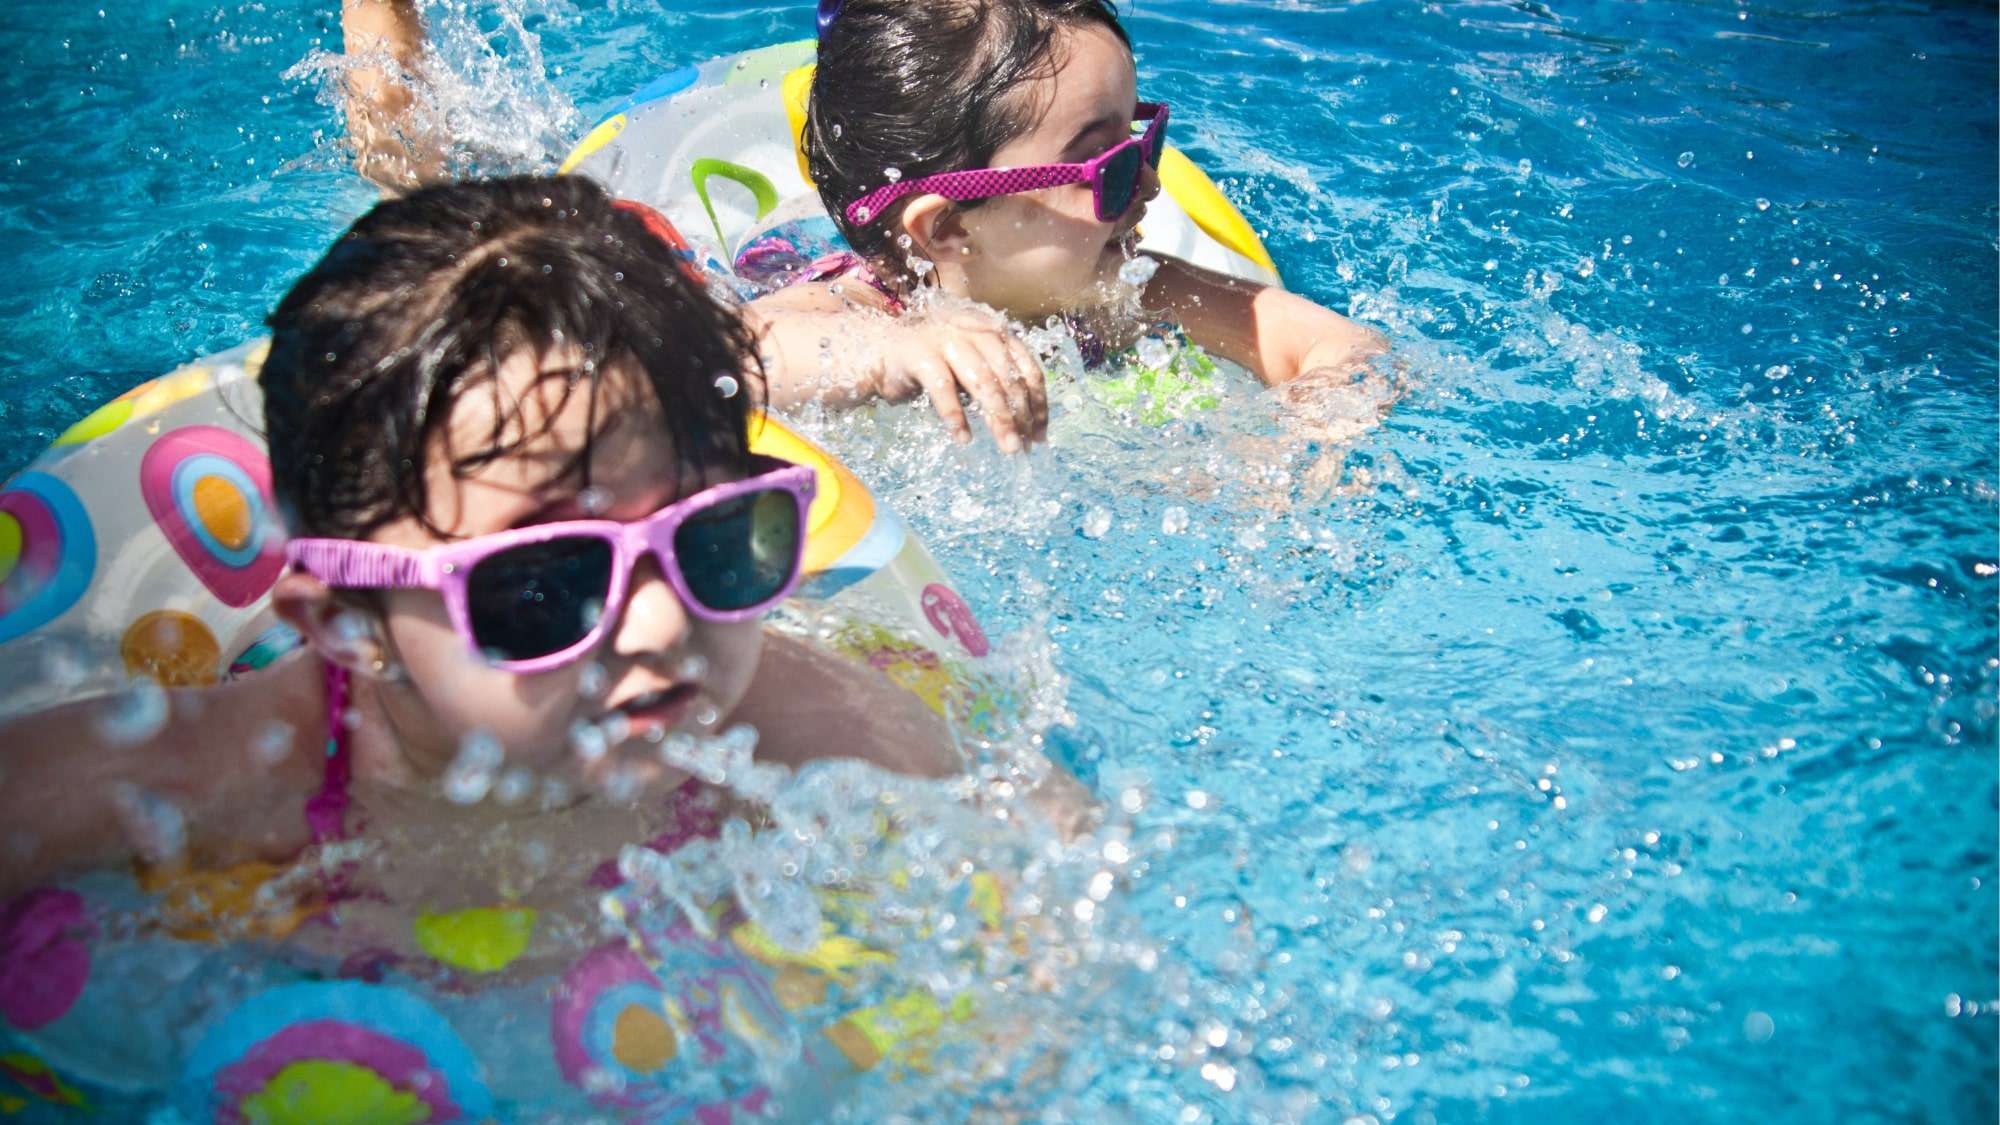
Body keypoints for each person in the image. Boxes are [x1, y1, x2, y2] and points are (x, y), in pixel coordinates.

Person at [0, 175, 966, 911]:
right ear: (347, 624)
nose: (665, 619)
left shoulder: (796, 725)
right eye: (546, 583)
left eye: (715, 541)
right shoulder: (225, 780)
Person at [335, 0, 1390, 455]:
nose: (1148, 191)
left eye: (1145, 142)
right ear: (939, 233)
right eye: (1109, 168)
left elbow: (1325, 345)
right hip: (732, 273)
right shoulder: (855, 302)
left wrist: (1314, 443)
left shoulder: (1132, 286)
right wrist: (895, 346)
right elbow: (727, 363)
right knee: (429, 211)